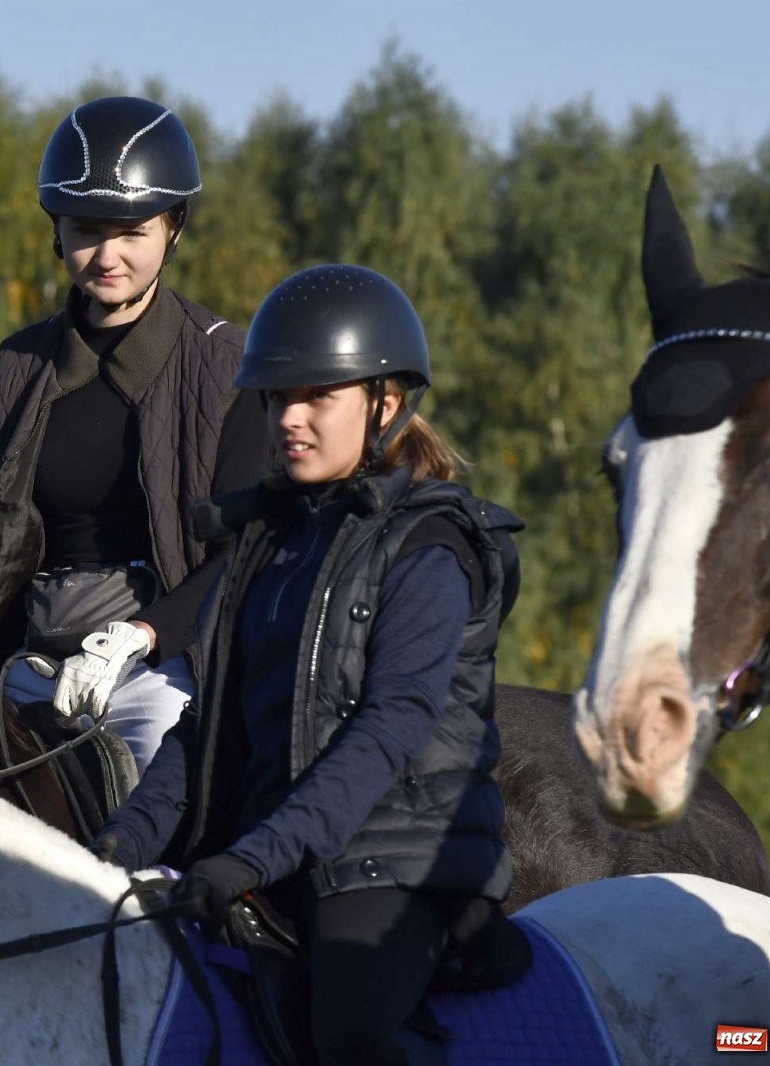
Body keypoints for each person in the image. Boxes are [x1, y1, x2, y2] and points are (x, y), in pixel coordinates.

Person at [93, 264, 522, 1064]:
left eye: (318, 397)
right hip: (278, 847)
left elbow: (390, 728)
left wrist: (255, 857)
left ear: (385, 404)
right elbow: (208, 729)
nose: (289, 419)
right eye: (277, 398)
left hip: (392, 855)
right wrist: (117, 847)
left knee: (350, 1032)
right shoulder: (267, 546)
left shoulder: (431, 545)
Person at [0, 96, 269, 778]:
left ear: (173, 228)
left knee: (164, 805)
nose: (108, 257)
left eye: (132, 233)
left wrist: (144, 634)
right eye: (86, 231)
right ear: (57, 231)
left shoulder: (228, 367)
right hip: (28, 666)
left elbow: (244, 553)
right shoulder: (20, 363)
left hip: (163, 672)